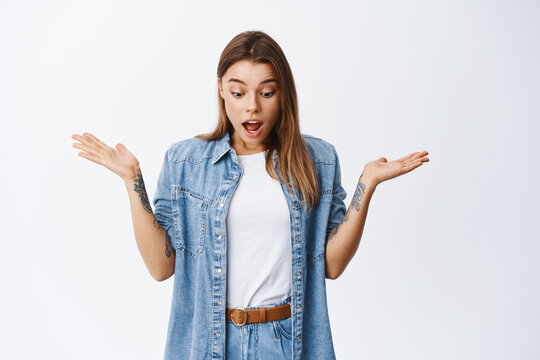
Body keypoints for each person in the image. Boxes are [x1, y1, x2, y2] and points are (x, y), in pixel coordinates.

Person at [71, 30, 429, 360]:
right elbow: (161, 267)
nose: (252, 106)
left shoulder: (318, 160)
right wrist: (132, 181)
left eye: (267, 92)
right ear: (221, 89)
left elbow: (331, 265)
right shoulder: (185, 161)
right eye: (239, 92)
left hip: (287, 340)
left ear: (282, 93)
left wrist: (366, 185)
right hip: (210, 340)